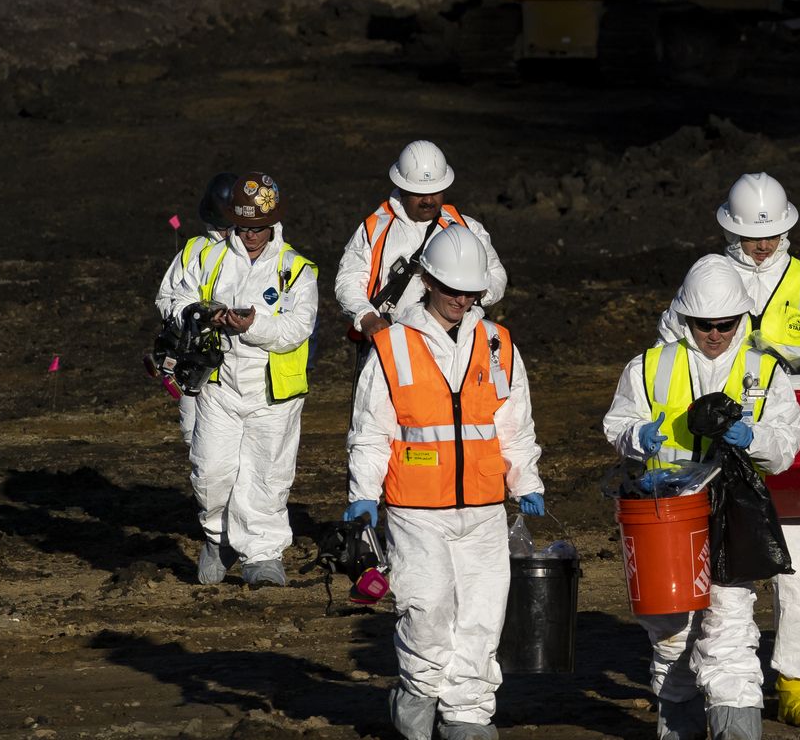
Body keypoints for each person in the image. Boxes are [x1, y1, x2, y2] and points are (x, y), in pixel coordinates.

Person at [653, 173, 800, 730]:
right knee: (715, 573)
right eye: (752, 235)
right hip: (722, 449)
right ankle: (696, 679)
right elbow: (668, 354)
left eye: (770, 234)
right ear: (730, 229)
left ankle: (798, 681)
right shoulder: (707, 281)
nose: (762, 244)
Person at [344, 226, 544, 740]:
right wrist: (363, 495)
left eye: (469, 290)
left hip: (483, 508)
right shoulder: (391, 346)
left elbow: (513, 422)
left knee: (482, 618)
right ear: (427, 281)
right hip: (415, 508)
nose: (461, 299)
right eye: (451, 288)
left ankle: (468, 717)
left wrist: (527, 480)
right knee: (427, 610)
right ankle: (417, 690)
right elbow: (369, 430)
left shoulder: (498, 343)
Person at [604, 255, 800, 740]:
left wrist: (750, 438)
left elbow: (787, 442)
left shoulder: (764, 370)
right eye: (703, 325)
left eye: (725, 324)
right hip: (667, 514)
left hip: (730, 513)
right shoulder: (649, 367)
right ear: (684, 318)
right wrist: (638, 437)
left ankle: (736, 726)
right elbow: (616, 423)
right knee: (671, 630)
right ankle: (679, 720)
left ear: (741, 319)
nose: (714, 334)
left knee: (729, 626)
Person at [167, 172, 317, 587]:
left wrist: (251, 326)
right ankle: (218, 538)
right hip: (218, 384)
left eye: (259, 228)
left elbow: (296, 329)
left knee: (267, 474)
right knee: (211, 471)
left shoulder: (296, 269)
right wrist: (206, 312)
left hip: (274, 393)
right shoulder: (209, 256)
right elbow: (178, 297)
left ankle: (264, 556)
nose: (251, 236)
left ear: (274, 224)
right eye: (244, 227)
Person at [336, 141, 508, 346]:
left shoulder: (467, 228)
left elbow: (496, 275)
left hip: (455, 344)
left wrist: (469, 300)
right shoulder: (374, 230)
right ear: (401, 187)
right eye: (419, 193)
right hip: (394, 342)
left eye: (435, 191)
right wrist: (367, 317)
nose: (428, 200)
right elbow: (349, 280)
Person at [155, 171, 236, 444]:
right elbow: (166, 299)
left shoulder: (252, 256)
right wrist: (190, 318)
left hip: (237, 367)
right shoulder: (192, 250)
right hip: (195, 364)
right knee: (196, 440)